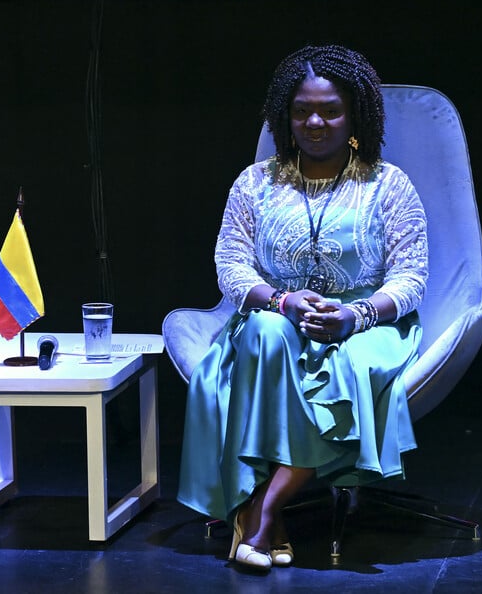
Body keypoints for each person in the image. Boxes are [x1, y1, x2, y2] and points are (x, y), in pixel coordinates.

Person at [176, 45, 428, 572]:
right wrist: (281, 301)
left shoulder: (390, 185)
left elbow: (411, 277)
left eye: (330, 110)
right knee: (266, 336)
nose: (314, 122)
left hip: (363, 326)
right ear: (284, 116)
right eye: (301, 110)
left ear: (354, 115)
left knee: (337, 365)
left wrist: (354, 317)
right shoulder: (254, 183)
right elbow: (231, 265)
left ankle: (262, 515)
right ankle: (270, 519)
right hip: (274, 318)